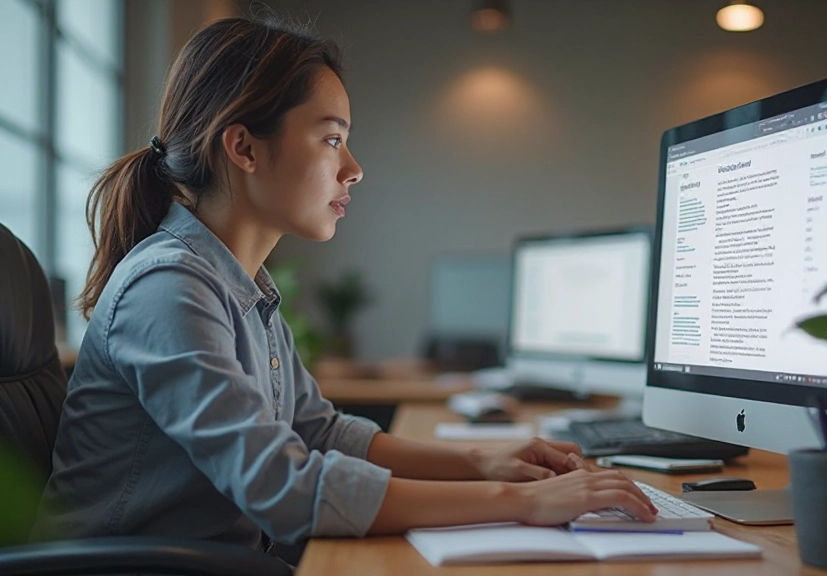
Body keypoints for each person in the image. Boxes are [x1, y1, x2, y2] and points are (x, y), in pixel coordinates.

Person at [34, 16, 657, 555]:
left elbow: (319, 431)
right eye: (331, 139)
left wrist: (487, 461)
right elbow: (281, 487)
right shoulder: (169, 287)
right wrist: (521, 503)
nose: (353, 169)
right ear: (244, 147)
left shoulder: (240, 289)